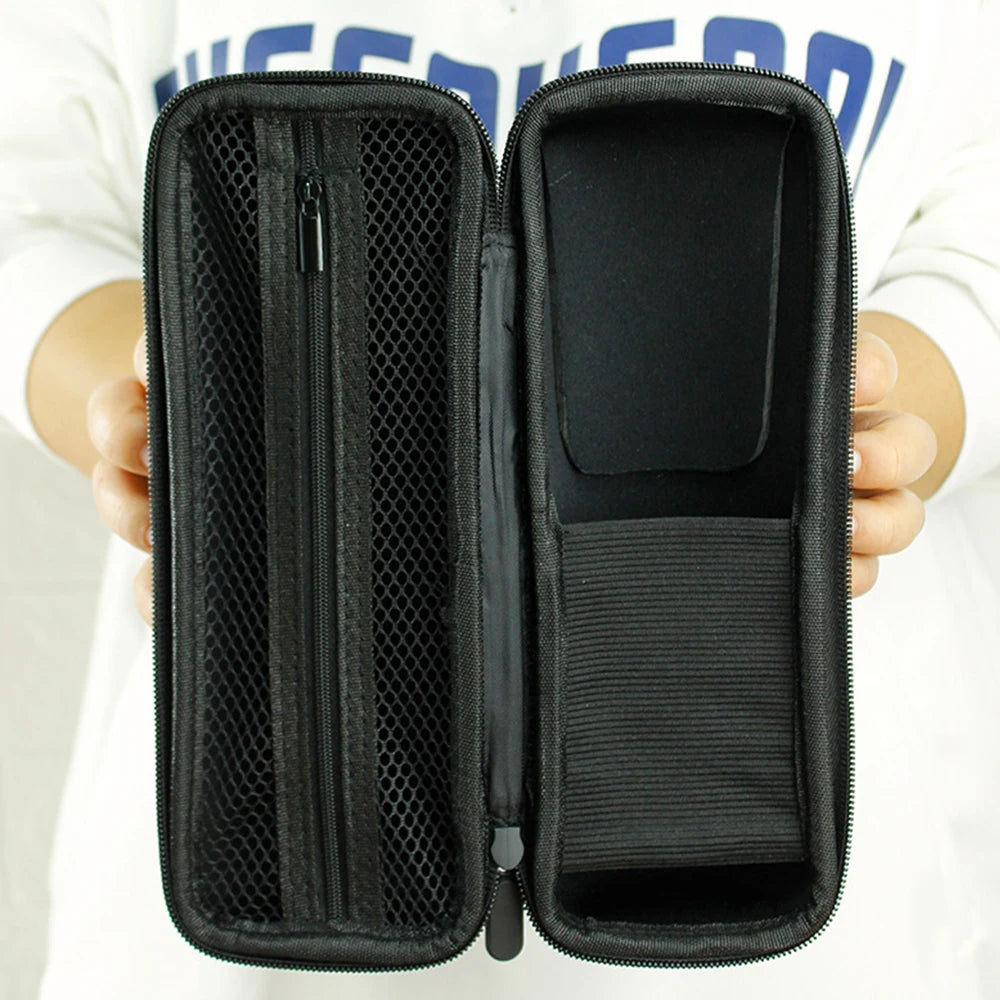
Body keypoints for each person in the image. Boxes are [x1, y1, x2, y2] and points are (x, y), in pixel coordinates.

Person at [1, 2, 997, 998]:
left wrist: (870, 417)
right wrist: (185, 403)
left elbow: (975, 260)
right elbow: (29, 229)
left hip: (784, 880)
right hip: (279, 855)